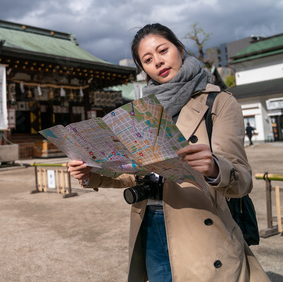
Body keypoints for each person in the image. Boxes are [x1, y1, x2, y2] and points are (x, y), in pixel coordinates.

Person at [68, 23, 269, 281]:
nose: (158, 62)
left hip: (199, 227)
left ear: (180, 49)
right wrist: (91, 171)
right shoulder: (144, 112)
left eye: (163, 50)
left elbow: (242, 180)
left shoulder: (218, 102)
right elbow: (135, 173)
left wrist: (214, 168)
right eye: (148, 59)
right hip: (150, 224)